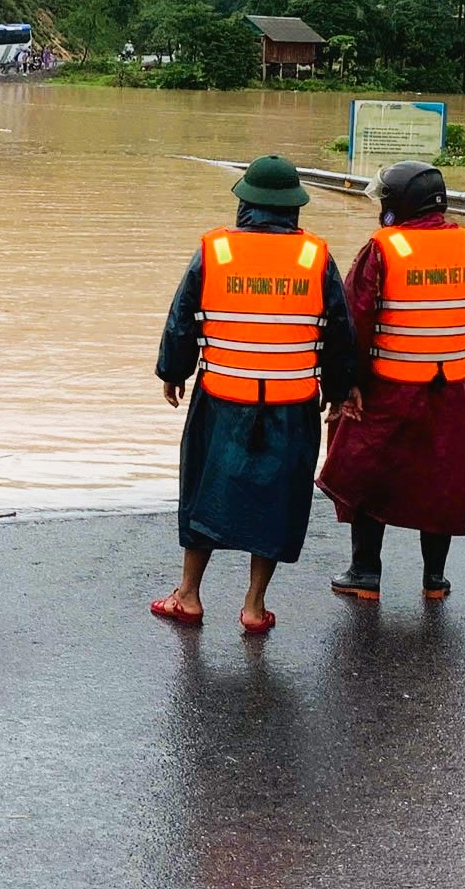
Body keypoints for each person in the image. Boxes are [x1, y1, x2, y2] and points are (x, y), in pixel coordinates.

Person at [152, 155, 358, 635]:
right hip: (293, 406)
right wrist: (340, 389)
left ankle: (188, 595)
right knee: (277, 500)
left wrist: (172, 371)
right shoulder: (316, 257)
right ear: (294, 208)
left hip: (222, 399)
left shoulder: (215, 251)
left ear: (245, 203)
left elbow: (183, 317)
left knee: (204, 492)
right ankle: (253, 606)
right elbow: (340, 333)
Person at [318, 161, 465, 602]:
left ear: (396, 204)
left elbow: (353, 322)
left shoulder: (382, 249)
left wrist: (345, 385)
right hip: (451, 391)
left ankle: (365, 574)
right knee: (442, 480)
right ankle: (434, 580)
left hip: (385, 390)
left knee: (366, 475)